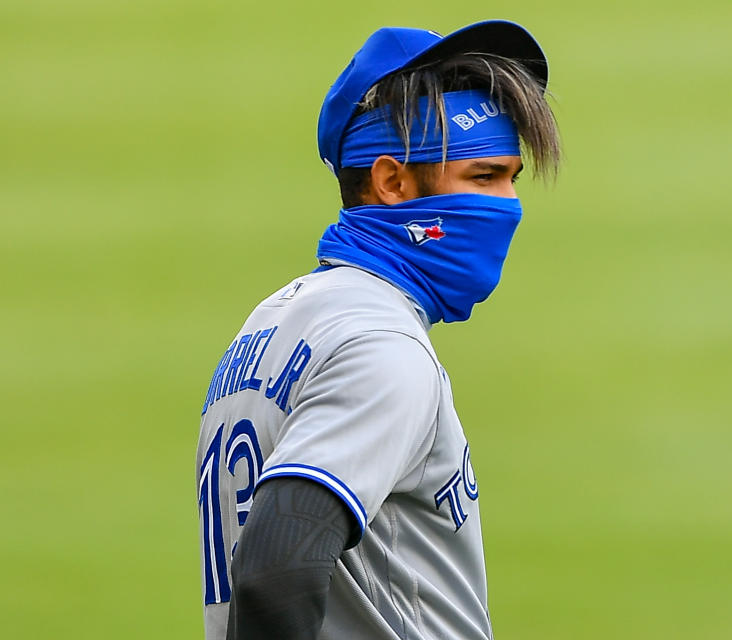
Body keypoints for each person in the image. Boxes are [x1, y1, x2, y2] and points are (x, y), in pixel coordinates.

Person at [196, 20, 560, 640]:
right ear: (392, 181)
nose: (506, 207)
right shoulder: (380, 347)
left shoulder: (273, 324)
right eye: (481, 178)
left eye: (510, 180)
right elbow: (275, 567)